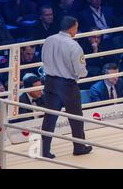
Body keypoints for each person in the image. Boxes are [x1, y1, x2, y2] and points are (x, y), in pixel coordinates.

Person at [41, 16, 92, 159]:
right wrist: (84, 73)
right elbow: (80, 71)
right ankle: (79, 146)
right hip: (67, 85)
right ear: (72, 28)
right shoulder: (73, 45)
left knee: (49, 117)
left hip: (50, 81)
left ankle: (44, 150)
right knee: (75, 117)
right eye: (76, 27)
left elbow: (43, 59)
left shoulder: (49, 40)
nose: (77, 30)